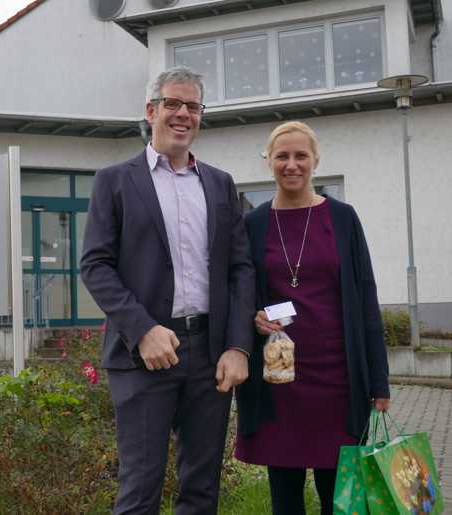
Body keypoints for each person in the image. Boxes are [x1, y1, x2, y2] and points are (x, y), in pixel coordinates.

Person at [80, 67, 255, 515]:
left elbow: (240, 269)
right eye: (173, 104)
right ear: (151, 110)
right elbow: (95, 265)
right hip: (143, 356)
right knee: (140, 491)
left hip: (210, 354)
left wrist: (238, 346)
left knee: (201, 491)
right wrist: (142, 330)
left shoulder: (219, 184)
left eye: (192, 106)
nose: (183, 114)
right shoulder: (115, 181)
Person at [234, 121, 390, 515]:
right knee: (285, 498)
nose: (291, 164)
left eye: (300, 155)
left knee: (340, 500)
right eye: (281, 156)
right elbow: (241, 294)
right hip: (278, 380)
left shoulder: (342, 218)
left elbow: (366, 299)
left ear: (315, 160)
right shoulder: (252, 224)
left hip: (338, 381)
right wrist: (253, 319)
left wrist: (379, 382)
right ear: (268, 161)